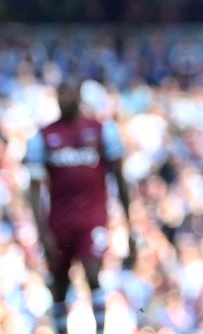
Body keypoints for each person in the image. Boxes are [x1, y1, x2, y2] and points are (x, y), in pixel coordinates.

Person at [25, 80, 136, 334]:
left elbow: (120, 179)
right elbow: (34, 189)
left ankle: (100, 330)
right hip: (59, 221)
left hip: (93, 218)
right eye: (60, 94)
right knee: (59, 282)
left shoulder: (101, 130)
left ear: (79, 96)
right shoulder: (43, 136)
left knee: (93, 273)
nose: (65, 99)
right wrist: (42, 232)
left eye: (69, 93)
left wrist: (130, 228)